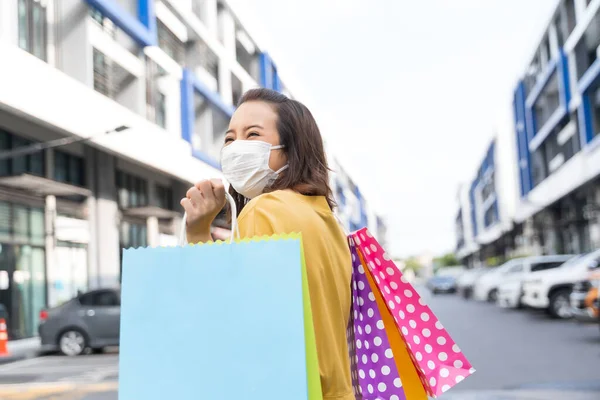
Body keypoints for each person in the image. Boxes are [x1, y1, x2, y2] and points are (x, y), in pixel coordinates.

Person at [181, 88, 354, 400]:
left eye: (253, 134)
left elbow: (224, 314)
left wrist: (196, 231)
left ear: (290, 149)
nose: (236, 148)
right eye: (230, 138)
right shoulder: (327, 220)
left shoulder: (265, 210)